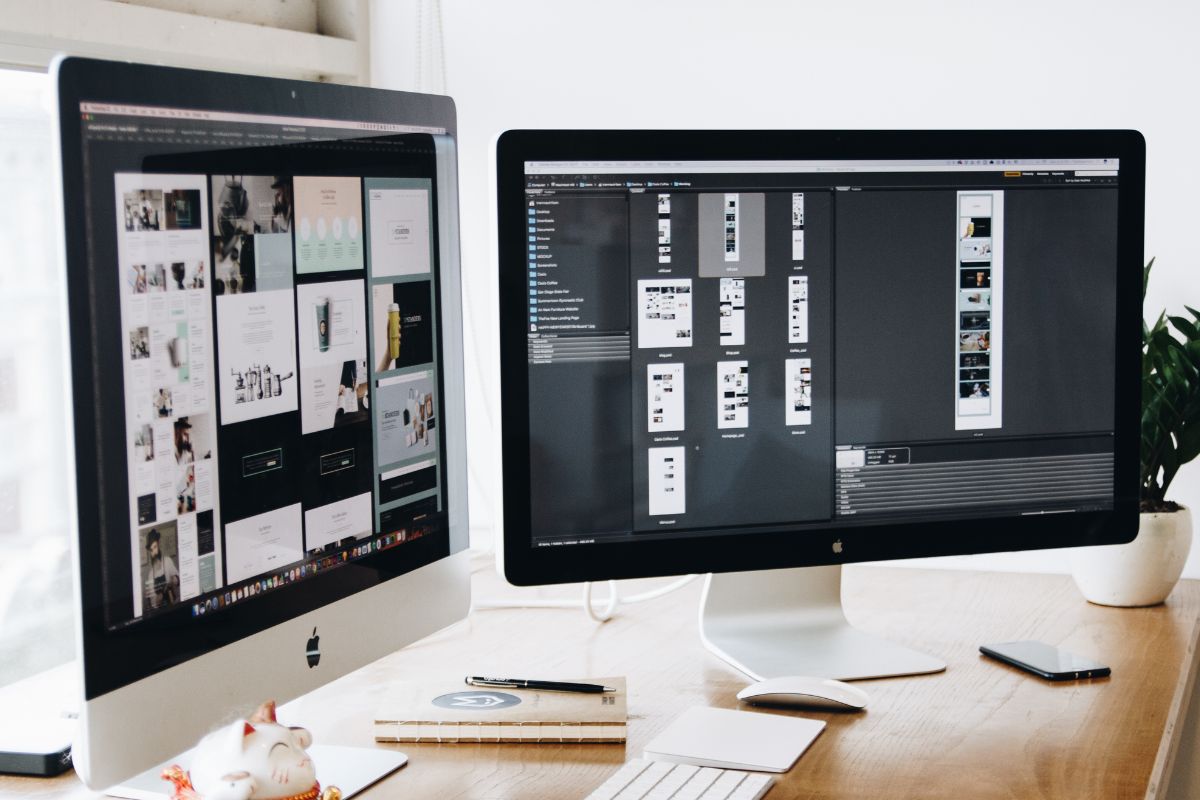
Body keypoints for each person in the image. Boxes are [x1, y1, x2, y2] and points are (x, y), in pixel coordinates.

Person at [144, 528, 180, 610]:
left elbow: (179, 579)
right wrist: (157, 600)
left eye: (155, 547)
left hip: (174, 605)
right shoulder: (150, 574)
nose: (154, 552)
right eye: (151, 550)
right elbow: (153, 603)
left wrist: (175, 579)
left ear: (158, 544)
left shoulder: (167, 561)